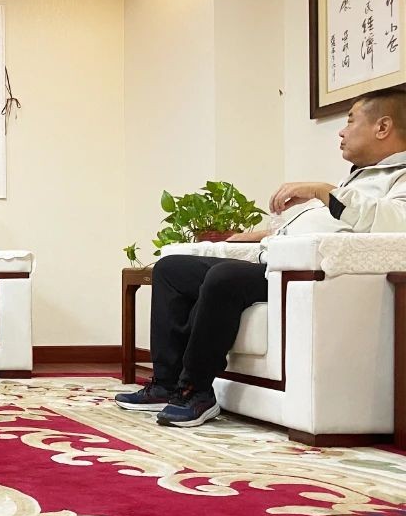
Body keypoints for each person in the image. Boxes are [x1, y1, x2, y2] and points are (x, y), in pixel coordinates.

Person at [116, 87, 406, 427]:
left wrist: (323, 192)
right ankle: (165, 384)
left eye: (351, 121)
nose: (341, 132)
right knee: (171, 269)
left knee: (225, 276)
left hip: (308, 275)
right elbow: (327, 225)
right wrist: (265, 233)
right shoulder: (359, 177)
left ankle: (196, 391)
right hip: (276, 264)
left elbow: (393, 222)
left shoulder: (399, 177)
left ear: (382, 127)